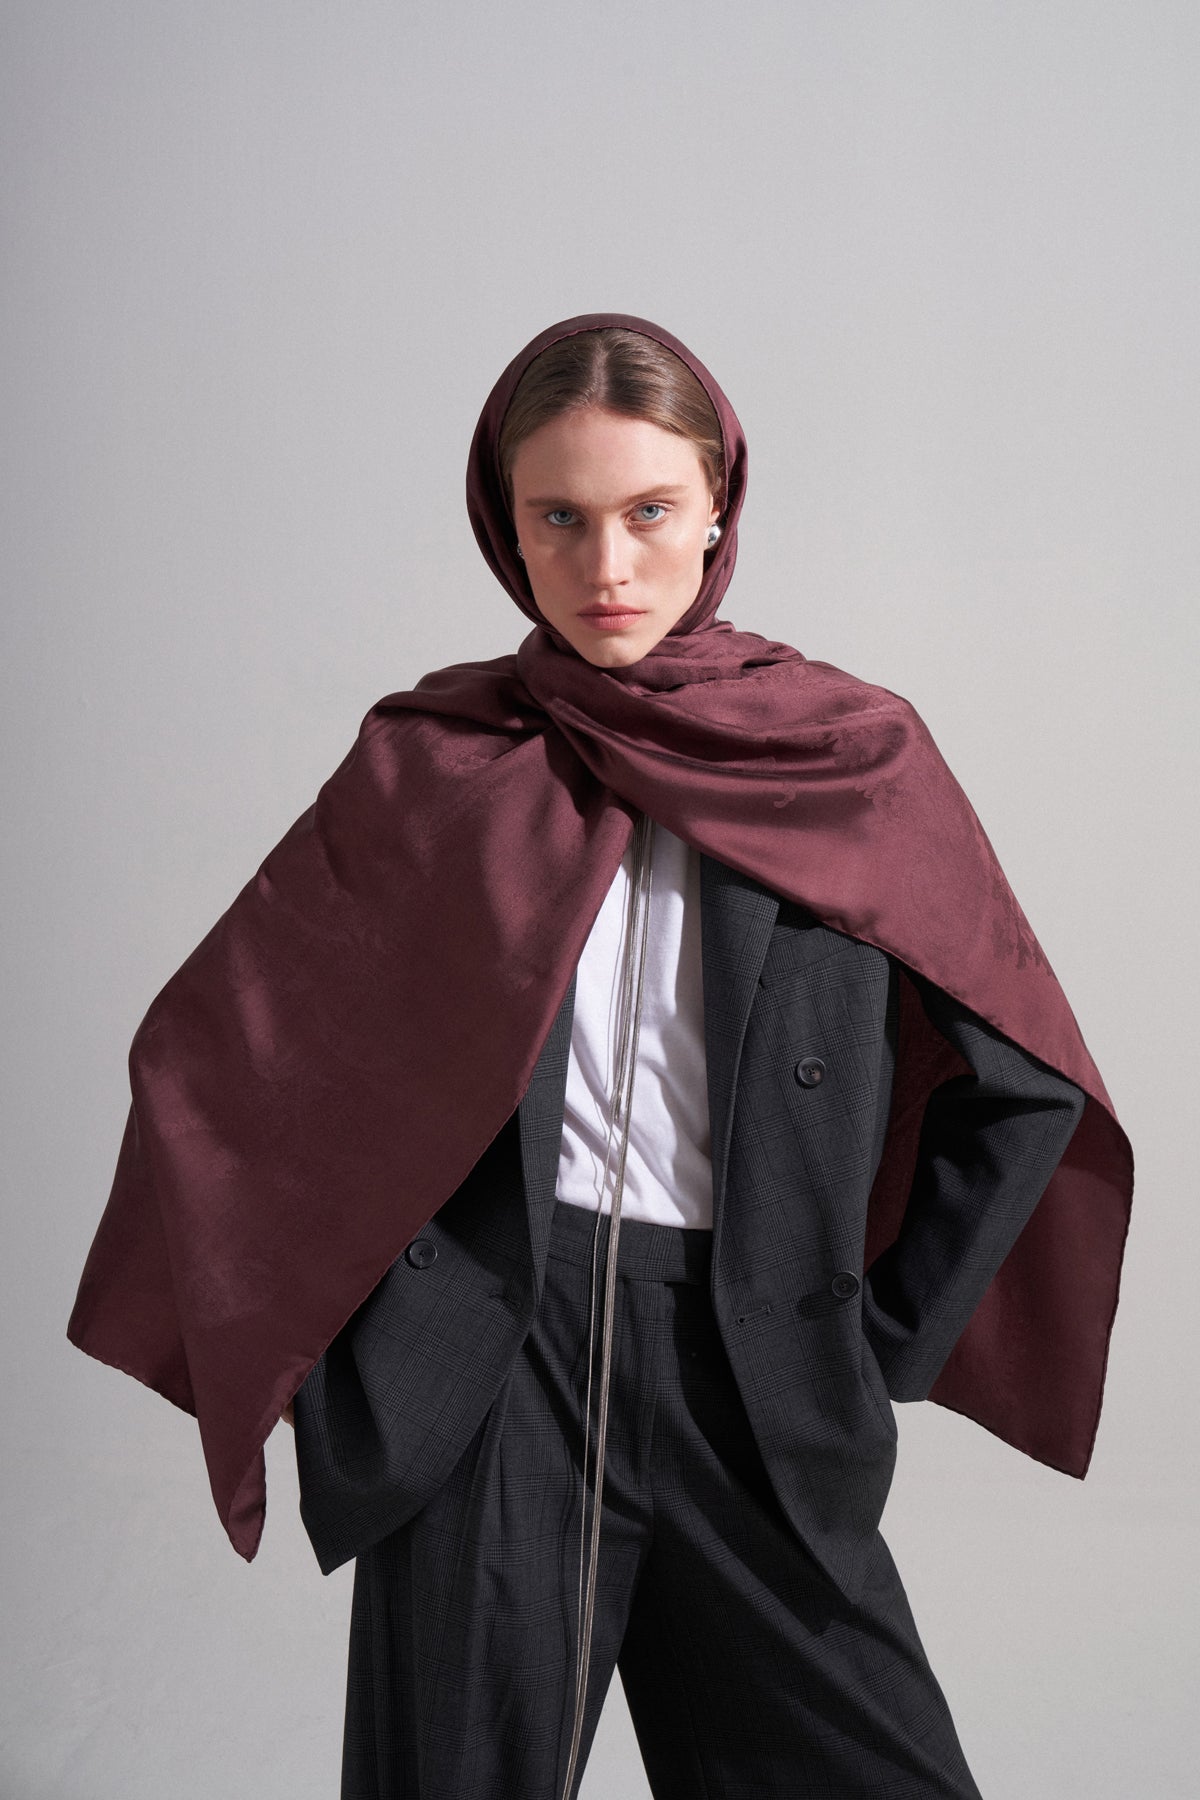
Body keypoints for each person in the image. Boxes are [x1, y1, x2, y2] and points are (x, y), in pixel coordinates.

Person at [68, 314, 1133, 1800]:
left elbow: (1029, 1080)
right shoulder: (434, 761)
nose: (608, 564)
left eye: (647, 511)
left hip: (752, 1362)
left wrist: (872, 1332)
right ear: (506, 528)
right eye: (558, 518)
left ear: (718, 506)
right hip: (498, 1368)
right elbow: (220, 1063)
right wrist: (355, 1345)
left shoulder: (852, 759)